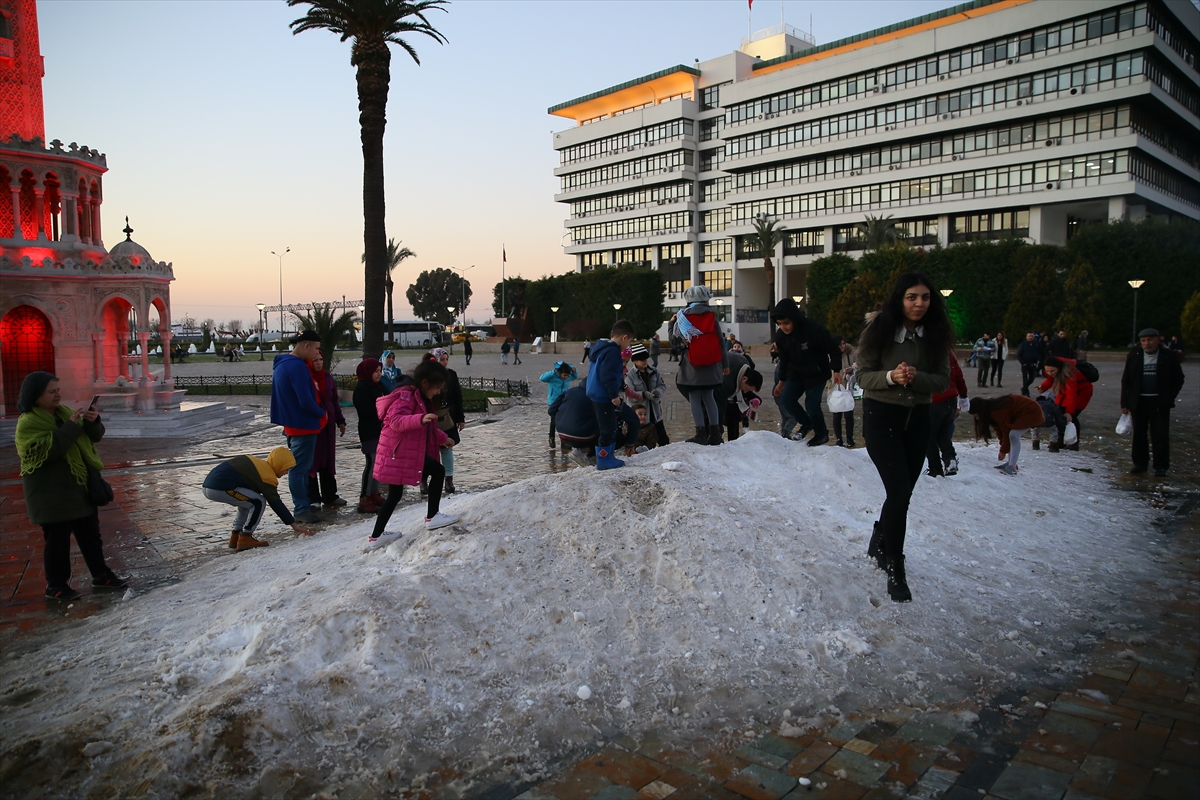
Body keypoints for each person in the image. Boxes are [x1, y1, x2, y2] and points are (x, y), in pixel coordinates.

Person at [856, 271, 953, 603]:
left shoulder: (935, 335)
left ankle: (880, 536)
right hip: (882, 418)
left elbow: (942, 380)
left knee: (903, 493)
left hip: (919, 419)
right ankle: (896, 567)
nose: (919, 303)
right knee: (898, 492)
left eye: (925, 297)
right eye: (912, 297)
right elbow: (863, 376)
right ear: (900, 299)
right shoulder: (879, 330)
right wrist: (892, 377)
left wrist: (916, 378)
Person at [15, 372, 128, 600]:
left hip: (79, 487)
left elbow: (92, 438)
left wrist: (92, 422)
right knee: (57, 542)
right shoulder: (28, 422)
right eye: (51, 391)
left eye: (58, 390)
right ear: (36, 396)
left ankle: (101, 574)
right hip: (51, 494)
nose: (58, 395)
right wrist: (70, 427)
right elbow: (45, 451)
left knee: (90, 535)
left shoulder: (65, 413)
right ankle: (55, 585)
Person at [369, 359, 460, 541]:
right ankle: (432, 516)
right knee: (438, 470)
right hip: (399, 452)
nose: (438, 391)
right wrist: (419, 419)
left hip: (401, 451)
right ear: (425, 383)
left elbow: (429, 426)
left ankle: (376, 536)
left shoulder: (419, 397)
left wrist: (443, 438)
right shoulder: (406, 395)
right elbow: (396, 421)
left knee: (395, 495)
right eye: (437, 387)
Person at [270, 330, 327, 524]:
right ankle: (301, 509)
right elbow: (305, 400)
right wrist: (322, 413)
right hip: (303, 425)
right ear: (306, 346)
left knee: (300, 468)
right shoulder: (297, 367)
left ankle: (303, 504)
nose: (317, 354)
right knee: (298, 469)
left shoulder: (283, 364)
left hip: (292, 424)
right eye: (316, 349)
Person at [203, 447, 311, 548]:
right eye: (286, 469)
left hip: (209, 487)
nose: (286, 473)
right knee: (258, 502)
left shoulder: (259, 465)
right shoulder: (266, 475)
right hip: (220, 487)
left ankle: (236, 536)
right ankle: (246, 537)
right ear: (280, 464)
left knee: (248, 502)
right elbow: (276, 503)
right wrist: (294, 525)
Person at [770, 297, 841, 447]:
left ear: (794, 319)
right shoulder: (781, 336)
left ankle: (822, 434)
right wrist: (781, 382)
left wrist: (836, 370)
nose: (784, 327)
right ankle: (807, 423)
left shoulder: (812, 329)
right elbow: (784, 360)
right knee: (787, 399)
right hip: (796, 373)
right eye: (780, 324)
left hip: (817, 372)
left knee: (812, 405)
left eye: (786, 323)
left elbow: (833, 347)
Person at [1120, 328, 1185, 477]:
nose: (1147, 343)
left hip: (1159, 402)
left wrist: (1170, 396)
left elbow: (1178, 378)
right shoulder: (1134, 356)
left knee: (1160, 434)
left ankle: (1161, 466)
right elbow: (1126, 380)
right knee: (1139, 434)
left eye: (1150, 340)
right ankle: (1140, 463)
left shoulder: (1169, 356)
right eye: (1143, 340)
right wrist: (1124, 403)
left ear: (1157, 340)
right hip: (1139, 401)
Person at [671, 286, 731, 446]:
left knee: (695, 399)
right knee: (710, 398)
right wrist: (725, 364)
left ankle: (700, 433)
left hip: (692, 367)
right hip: (712, 365)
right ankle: (715, 434)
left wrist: (671, 324)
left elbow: (675, 341)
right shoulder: (711, 315)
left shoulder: (683, 317)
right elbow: (720, 342)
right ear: (705, 299)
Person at [586, 319, 637, 469]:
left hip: (594, 392)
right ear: (624, 337)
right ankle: (604, 459)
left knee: (609, 424)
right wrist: (613, 395)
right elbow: (608, 375)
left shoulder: (600, 348)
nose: (628, 346)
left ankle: (608, 456)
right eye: (629, 342)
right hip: (604, 395)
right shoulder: (612, 352)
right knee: (608, 427)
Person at [553, 385, 639, 465]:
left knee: (594, 423)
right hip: (584, 435)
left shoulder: (571, 391)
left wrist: (563, 419)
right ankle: (587, 453)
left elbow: (551, 410)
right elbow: (633, 419)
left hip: (562, 434)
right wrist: (629, 444)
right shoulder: (602, 395)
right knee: (618, 437)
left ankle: (586, 453)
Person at [307, 351, 348, 510]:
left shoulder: (328, 378)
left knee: (328, 460)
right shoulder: (306, 378)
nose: (318, 363)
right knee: (313, 461)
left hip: (328, 425)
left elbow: (334, 401)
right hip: (313, 425)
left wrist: (340, 421)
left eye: (320, 359)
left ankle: (330, 495)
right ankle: (313, 497)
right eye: (315, 360)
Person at [969, 395, 1044, 476]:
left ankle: (1012, 467)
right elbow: (999, 430)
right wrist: (1003, 447)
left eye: (976, 416)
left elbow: (1006, 431)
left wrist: (1003, 451)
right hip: (1023, 413)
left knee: (1013, 435)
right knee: (1011, 436)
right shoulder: (992, 411)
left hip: (1031, 412)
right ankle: (1011, 463)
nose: (977, 419)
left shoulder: (997, 411)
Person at [925, 347, 968, 476]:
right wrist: (963, 396)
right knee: (942, 432)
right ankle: (950, 459)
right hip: (951, 400)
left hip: (934, 400)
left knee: (928, 436)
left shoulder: (924, 352)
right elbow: (959, 376)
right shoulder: (947, 353)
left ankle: (935, 468)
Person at [1035, 355, 1093, 452]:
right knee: (1059, 413)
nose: (1050, 373)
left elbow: (1071, 394)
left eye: (1052, 371)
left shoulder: (1070, 374)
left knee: (1071, 417)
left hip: (1081, 393)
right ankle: (1061, 440)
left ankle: (1074, 443)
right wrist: (1043, 387)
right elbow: (1051, 379)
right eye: (1047, 371)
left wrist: (1070, 412)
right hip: (1064, 392)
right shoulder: (1052, 370)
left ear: (1058, 368)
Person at [353, 357, 388, 513]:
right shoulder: (362, 388)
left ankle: (374, 492)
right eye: (375, 371)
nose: (378, 374)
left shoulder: (379, 386)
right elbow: (366, 410)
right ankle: (364, 497)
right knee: (372, 462)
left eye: (380, 371)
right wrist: (382, 411)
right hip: (369, 430)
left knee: (379, 463)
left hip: (381, 430)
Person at [430, 348, 465, 494]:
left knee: (447, 448)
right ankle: (425, 480)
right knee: (430, 450)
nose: (444, 362)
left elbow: (457, 396)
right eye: (442, 359)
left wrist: (460, 419)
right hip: (431, 417)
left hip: (448, 417)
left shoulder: (451, 375)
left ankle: (449, 479)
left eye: (446, 359)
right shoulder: (429, 376)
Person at [626, 343, 669, 447]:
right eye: (642, 360)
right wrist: (644, 394)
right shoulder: (629, 376)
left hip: (655, 413)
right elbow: (629, 395)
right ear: (635, 361)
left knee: (663, 440)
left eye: (646, 359)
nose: (645, 361)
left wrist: (658, 392)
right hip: (641, 415)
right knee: (643, 441)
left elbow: (662, 385)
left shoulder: (654, 371)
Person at [541, 360, 579, 448]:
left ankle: (564, 442)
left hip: (564, 401)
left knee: (564, 421)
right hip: (553, 401)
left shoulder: (568, 377)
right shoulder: (553, 377)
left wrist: (574, 370)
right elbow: (542, 378)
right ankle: (551, 438)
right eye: (564, 375)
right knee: (554, 421)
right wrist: (553, 372)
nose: (566, 377)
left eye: (567, 375)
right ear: (559, 373)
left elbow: (575, 376)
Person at [724, 361, 763, 442]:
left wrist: (756, 400)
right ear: (744, 379)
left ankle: (733, 446)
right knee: (718, 428)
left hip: (734, 415)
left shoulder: (743, 386)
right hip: (723, 410)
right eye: (747, 388)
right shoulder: (731, 383)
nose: (746, 391)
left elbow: (751, 395)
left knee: (734, 433)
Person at [831, 336, 858, 448]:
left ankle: (850, 439)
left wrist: (852, 369)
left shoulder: (851, 353)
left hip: (847, 387)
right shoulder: (832, 355)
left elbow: (858, 366)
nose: (842, 346)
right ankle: (839, 439)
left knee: (848, 414)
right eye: (839, 345)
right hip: (835, 387)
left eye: (843, 344)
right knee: (836, 414)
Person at [1017, 332, 1041, 397]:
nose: (1030, 337)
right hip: (1025, 364)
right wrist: (1023, 362)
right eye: (1029, 336)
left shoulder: (1035, 345)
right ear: (1026, 337)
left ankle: (1024, 388)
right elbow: (1019, 355)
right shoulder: (1023, 344)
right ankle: (1026, 392)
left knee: (1032, 378)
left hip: (1033, 364)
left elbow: (1038, 353)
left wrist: (1036, 362)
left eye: (1032, 336)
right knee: (1025, 379)